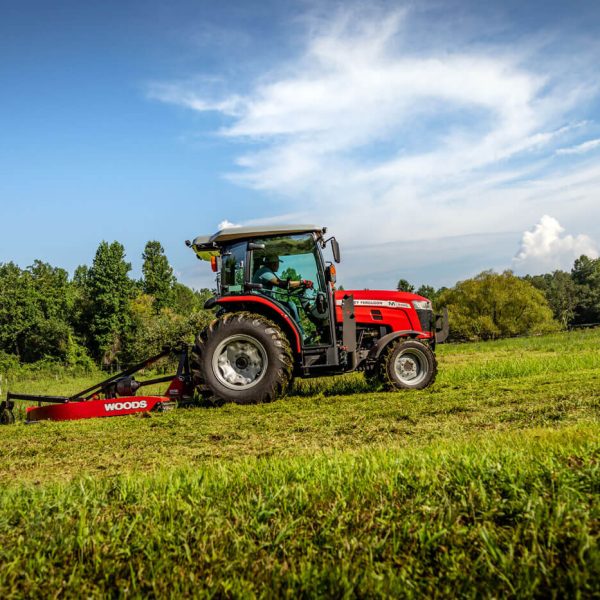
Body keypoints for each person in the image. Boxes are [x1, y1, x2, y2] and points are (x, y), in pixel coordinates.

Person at [253, 253, 313, 336]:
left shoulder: (267, 271)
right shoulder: (265, 271)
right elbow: (282, 284)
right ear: (273, 263)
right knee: (289, 307)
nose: (278, 265)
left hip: (266, 299)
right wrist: (302, 282)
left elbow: (284, 283)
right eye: (278, 263)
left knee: (291, 305)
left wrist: (300, 284)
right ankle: (299, 334)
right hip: (263, 301)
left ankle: (300, 333)